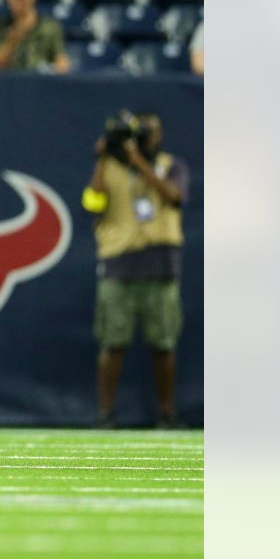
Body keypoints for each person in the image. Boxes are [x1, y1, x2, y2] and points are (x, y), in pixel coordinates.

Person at [83, 112, 189, 429]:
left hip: (160, 263)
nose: (148, 138)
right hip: (119, 263)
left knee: (164, 344)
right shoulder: (111, 167)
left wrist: (137, 161)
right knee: (112, 344)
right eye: (142, 132)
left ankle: (166, 414)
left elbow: (174, 196)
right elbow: (92, 203)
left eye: (152, 132)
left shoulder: (172, 165)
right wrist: (104, 156)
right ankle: (105, 414)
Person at [0, 0, 70, 74]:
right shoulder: (1, 26)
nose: (17, 1)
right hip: (10, 82)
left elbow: (60, 58)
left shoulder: (50, 26)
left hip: (40, 82)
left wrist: (61, 64)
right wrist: (12, 40)